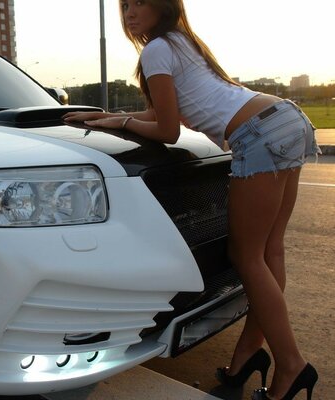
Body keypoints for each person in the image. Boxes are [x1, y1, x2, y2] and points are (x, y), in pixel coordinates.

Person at [63, 1, 320, 399]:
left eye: (139, 3)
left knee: (247, 256)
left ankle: (292, 366)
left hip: (257, 133)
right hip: (284, 117)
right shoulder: (182, 42)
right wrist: (110, 117)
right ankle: (247, 355)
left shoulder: (156, 49)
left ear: (162, 5)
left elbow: (167, 130)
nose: (130, 13)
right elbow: (168, 113)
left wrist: (122, 122)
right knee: (270, 252)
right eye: (125, 5)